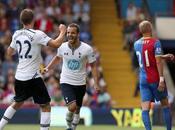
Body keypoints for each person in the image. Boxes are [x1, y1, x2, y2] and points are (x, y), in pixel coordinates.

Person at [0, 8, 66, 130]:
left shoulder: (16, 34)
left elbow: (9, 53)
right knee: (45, 105)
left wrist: (18, 50)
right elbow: (56, 44)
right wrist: (63, 31)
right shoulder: (37, 34)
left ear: (21, 21)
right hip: (33, 76)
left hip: (19, 76)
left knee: (17, 103)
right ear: (34, 20)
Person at [43, 23, 100, 130]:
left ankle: (73, 127)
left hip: (81, 83)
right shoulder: (62, 46)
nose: (69, 35)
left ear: (78, 34)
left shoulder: (87, 49)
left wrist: (96, 82)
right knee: (72, 107)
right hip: (66, 81)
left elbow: (93, 66)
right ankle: (68, 126)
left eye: (72, 33)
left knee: (78, 109)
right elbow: (57, 58)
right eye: (68, 33)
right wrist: (47, 68)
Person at [134, 20, 174, 130]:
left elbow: (148, 56)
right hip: (155, 78)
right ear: (150, 29)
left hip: (143, 79)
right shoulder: (155, 42)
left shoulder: (136, 44)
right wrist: (161, 79)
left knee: (145, 109)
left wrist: (164, 56)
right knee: (165, 105)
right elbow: (157, 61)